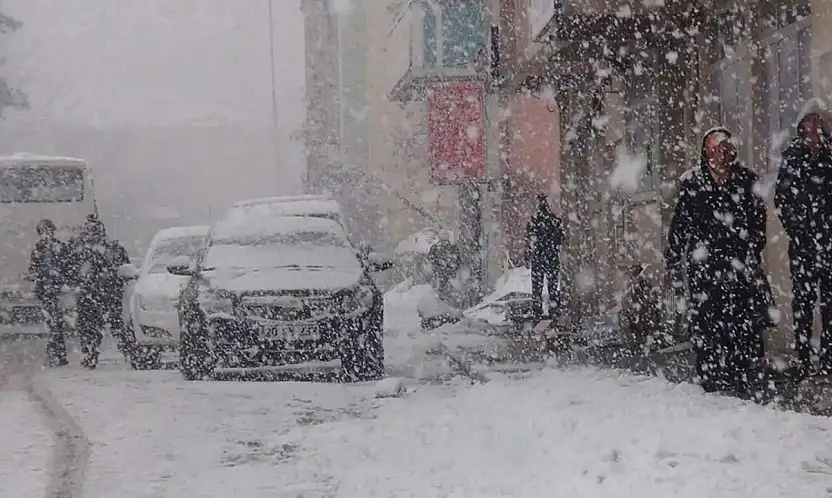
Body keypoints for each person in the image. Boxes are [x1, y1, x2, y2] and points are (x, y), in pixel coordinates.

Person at [665, 127, 767, 395]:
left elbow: (758, 219)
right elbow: (680, 224)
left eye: (725, 151)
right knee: (706, 319)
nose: (720, 158)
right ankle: (710, 374)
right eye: (714, 151)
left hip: (737, 263)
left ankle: (741, 373)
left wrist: (752, 248)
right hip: (705, 266)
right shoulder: (692, 183)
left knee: (741, 320)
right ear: (706, 153)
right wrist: (674, 257)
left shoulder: (746, 181)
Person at [775, 99, 832, 376]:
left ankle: (829, 359)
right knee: (803, 303)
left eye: (818, 121)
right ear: (801, 126)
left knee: (830, 303)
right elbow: (782, 199)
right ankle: (803, 357)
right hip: (804, 245)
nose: (814, 127)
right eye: (809, 121)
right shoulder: (792, 157)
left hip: (829, 242)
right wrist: (798, 229)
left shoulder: (830, 155)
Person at [65, 214, 131, 369]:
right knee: (89, 327)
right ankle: (90, 352)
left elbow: (123, 268)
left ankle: (129, 352)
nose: (93, 232)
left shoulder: (112, 248)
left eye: (95, 229)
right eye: (90, 229)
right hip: (90, 294)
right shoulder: (78, 249)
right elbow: (69, 269)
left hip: (107, 293)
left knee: (116, 326)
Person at [27, 219, 69, 367]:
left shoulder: (60, 247)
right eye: (42, 232)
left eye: (48, 231)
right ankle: (57, 352)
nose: (46, 235)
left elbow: (68, 266)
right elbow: (32, 269)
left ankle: (56, 352)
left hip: (59, 291)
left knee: (56, 322)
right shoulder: (38, 249)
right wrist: (38, 275)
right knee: (54, 322)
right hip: (46, 291)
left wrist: (60, 277)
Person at [524, 194, 564, 318]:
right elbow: (561, 238)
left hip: (538, 257)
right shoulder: (554, 221)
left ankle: (537, 309)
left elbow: (529, 240)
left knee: (537, 286)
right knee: (552, 285)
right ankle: (554, 308)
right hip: (551, 257)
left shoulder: (534, 221)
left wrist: (528, 254)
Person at [428, 230, 461, 304]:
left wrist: (436, 265)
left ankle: (442, 302)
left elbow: (431, 258)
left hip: (442, 273)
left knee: (442, 287)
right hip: (449, 273)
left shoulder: (436, 247)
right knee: (448, 287)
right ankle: (447, 302)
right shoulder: (452, 247)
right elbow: (458, 259)